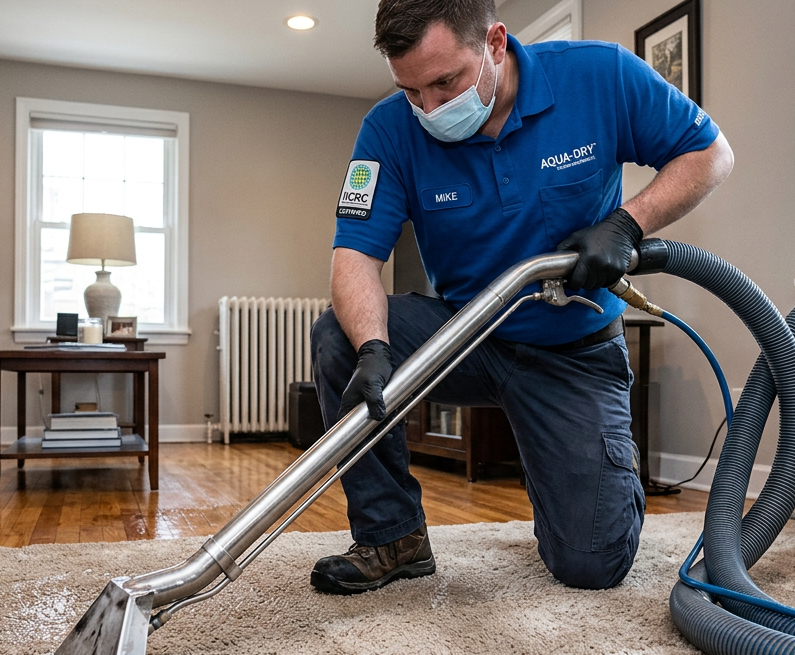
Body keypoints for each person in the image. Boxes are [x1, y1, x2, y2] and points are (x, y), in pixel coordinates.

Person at [308, 0, 734, 595]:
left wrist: (625, 225)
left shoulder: (599, 75)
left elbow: (710, 153)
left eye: (444, 82)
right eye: (412, 91)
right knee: (338, 336)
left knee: (592, 564)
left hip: (573, 347)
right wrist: (374, 348)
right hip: (467, 333)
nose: (428, 108)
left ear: (495, 43)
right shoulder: (388, 127)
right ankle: (391, 536)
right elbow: (355, 256)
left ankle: (574, 478)